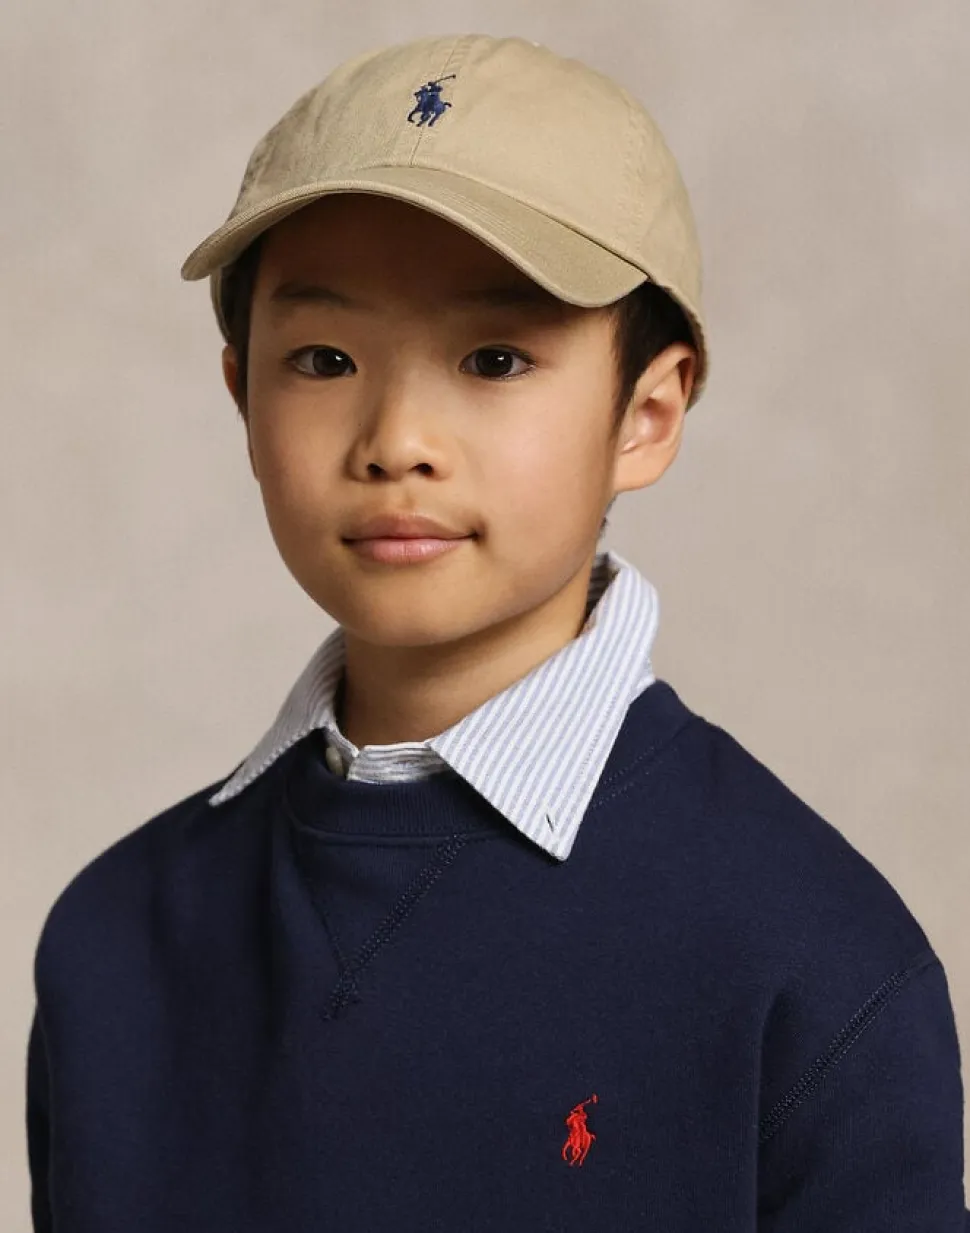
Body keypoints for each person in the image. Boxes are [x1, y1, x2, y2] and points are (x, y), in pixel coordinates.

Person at [25, 32, 969, 1231]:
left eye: (494, 358)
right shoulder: (115, 943)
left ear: (647, 413)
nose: (396, 440)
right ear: (241, 396)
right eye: (323, 359)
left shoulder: (806, 960)